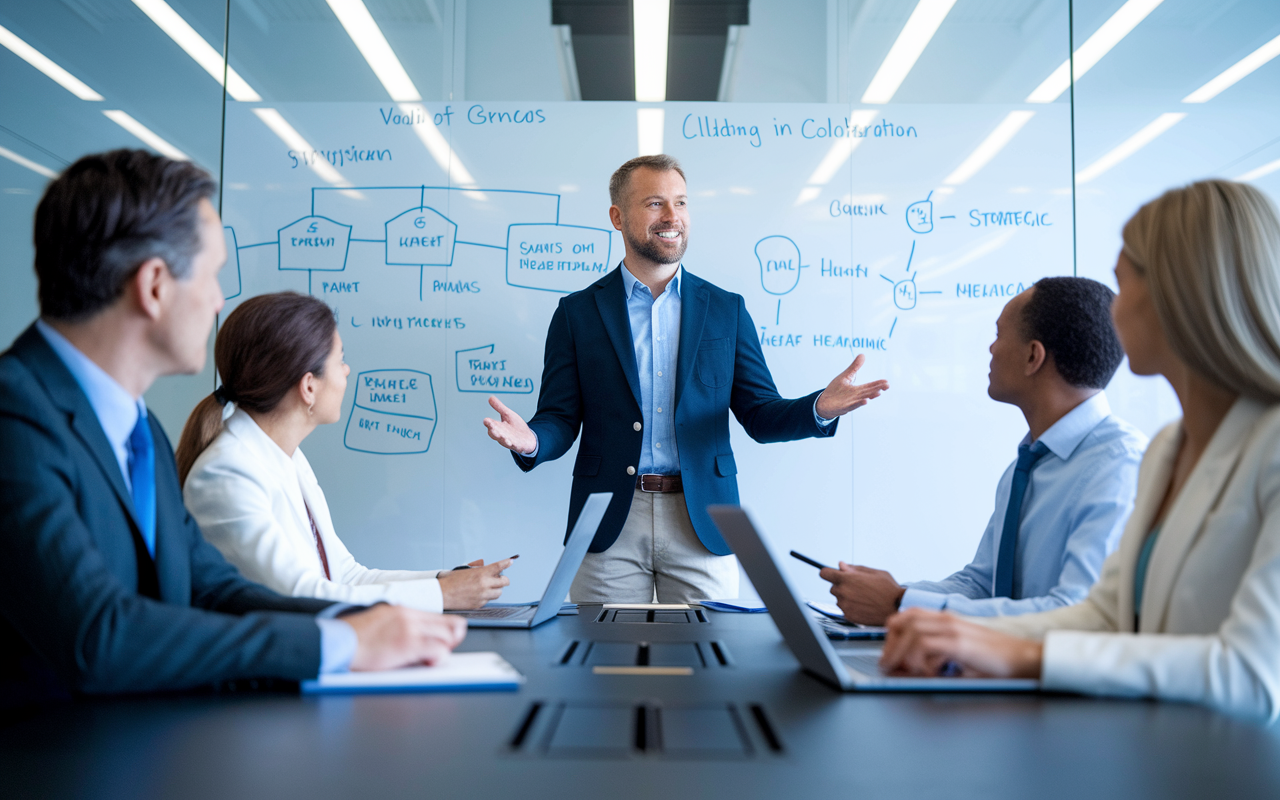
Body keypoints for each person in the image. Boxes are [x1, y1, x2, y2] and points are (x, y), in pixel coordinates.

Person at [0, 149, 464, 705]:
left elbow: (214, 589)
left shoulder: (138, 427)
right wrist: (336, 643)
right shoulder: (15, 415)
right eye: (213, 273)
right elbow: (99, 634)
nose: (220, 299)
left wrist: (380, 621)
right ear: (154, 286)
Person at [879, 179, 1280, 721]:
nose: (1111, 313)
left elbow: (1254, 677)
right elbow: (1103, 616)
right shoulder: (1168, 449)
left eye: (1124, 283)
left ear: (1179, 295)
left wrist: (1021, 653)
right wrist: (949, 630)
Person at [482, 154, 889, 603]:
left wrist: (817, 409)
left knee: (710, 665)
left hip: (703, 519)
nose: (672, 217)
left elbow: (760, 414)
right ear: (618, 217)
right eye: (655, 203)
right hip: (608, 520)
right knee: (603, 664)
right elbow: (560, 417)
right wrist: (533, 440)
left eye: (680, 202)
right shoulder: (577, 313)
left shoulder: (726, 309)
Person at [821, 278, 1147, 624]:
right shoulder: (1028, 465)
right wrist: (885, 595)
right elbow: (981, 584)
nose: (991, 349)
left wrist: (903, 604)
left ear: (1033, 356)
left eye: (998, 336)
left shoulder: (1120, 465)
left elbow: (1074, 612)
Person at [178, 292, 511, 612]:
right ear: (309, 386)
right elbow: (302, 597)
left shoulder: (287, 457)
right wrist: (441, 595)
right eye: (340, 360)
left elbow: (346, 576)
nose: (347, 371)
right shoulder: (226, 474)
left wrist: (444, 580)